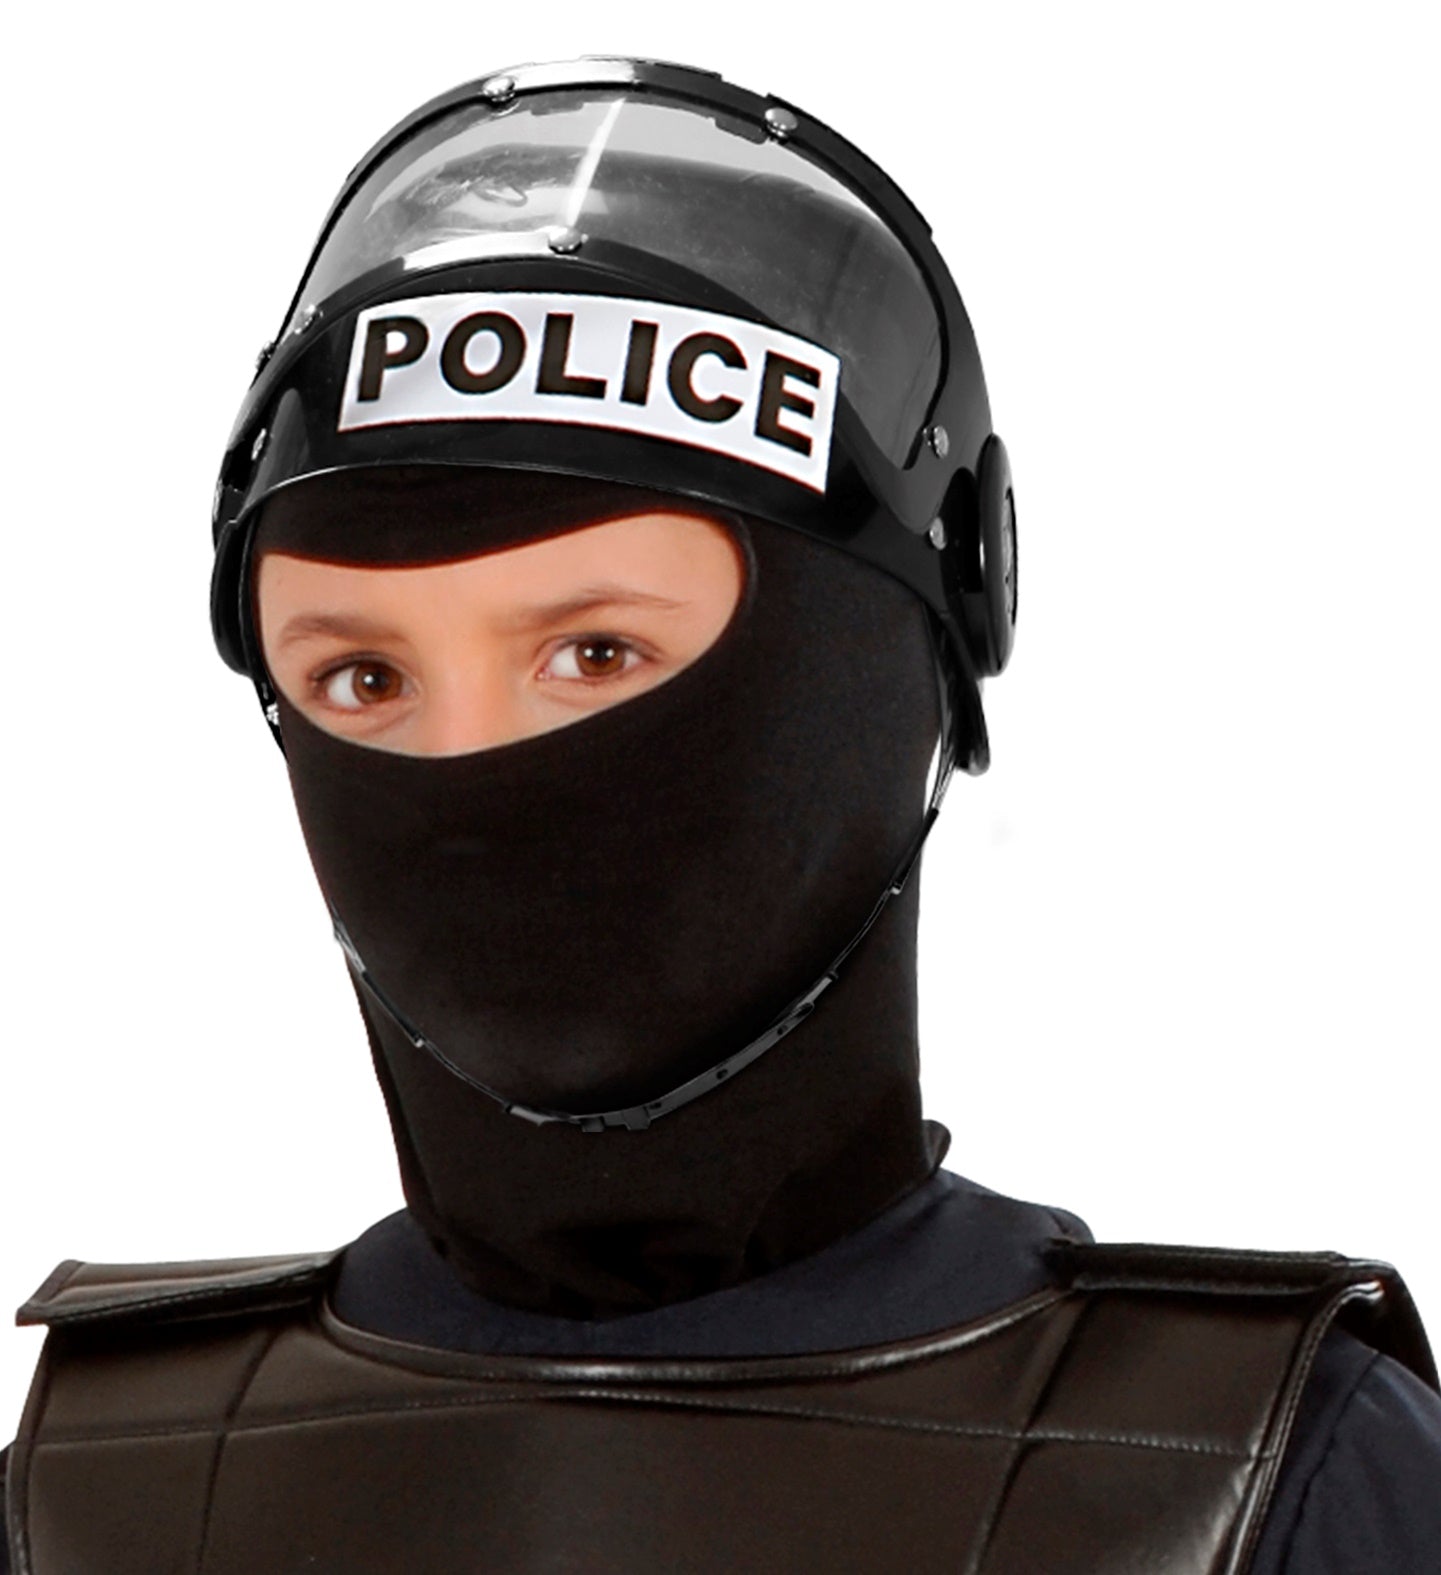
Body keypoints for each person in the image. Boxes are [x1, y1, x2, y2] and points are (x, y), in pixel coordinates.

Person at [5, 57, 1439, 1573]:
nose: (469, 768)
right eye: (362, 677)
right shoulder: (87, 1492)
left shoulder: (1276, 1479)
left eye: (594, 654)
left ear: (866, 686)